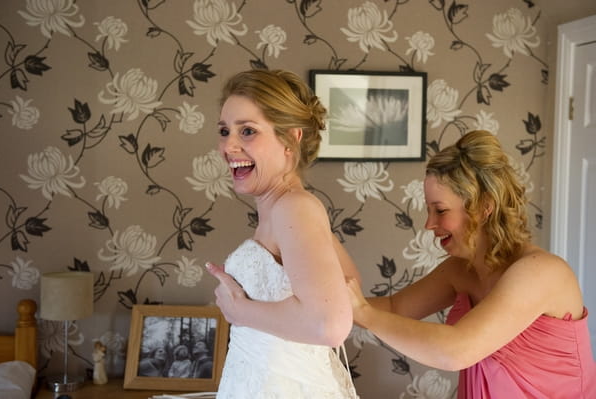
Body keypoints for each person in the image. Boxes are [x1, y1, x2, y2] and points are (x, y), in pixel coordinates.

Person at [347, 130, 596, 398]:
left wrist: (365, 314)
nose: (429, 224)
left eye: (440, 210)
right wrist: (327, 299)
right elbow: (396, 307)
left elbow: (456, 351)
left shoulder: (541, 273)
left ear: (483, 207)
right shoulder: (460, 269)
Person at [205, 68, 360, 398]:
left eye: (247, 131)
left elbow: (330, 325)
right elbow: (350, 285)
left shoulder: (294, 208)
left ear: (291, 138)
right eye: (224, 130)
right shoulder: (288, 209)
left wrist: (239, 311)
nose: (227, 146)